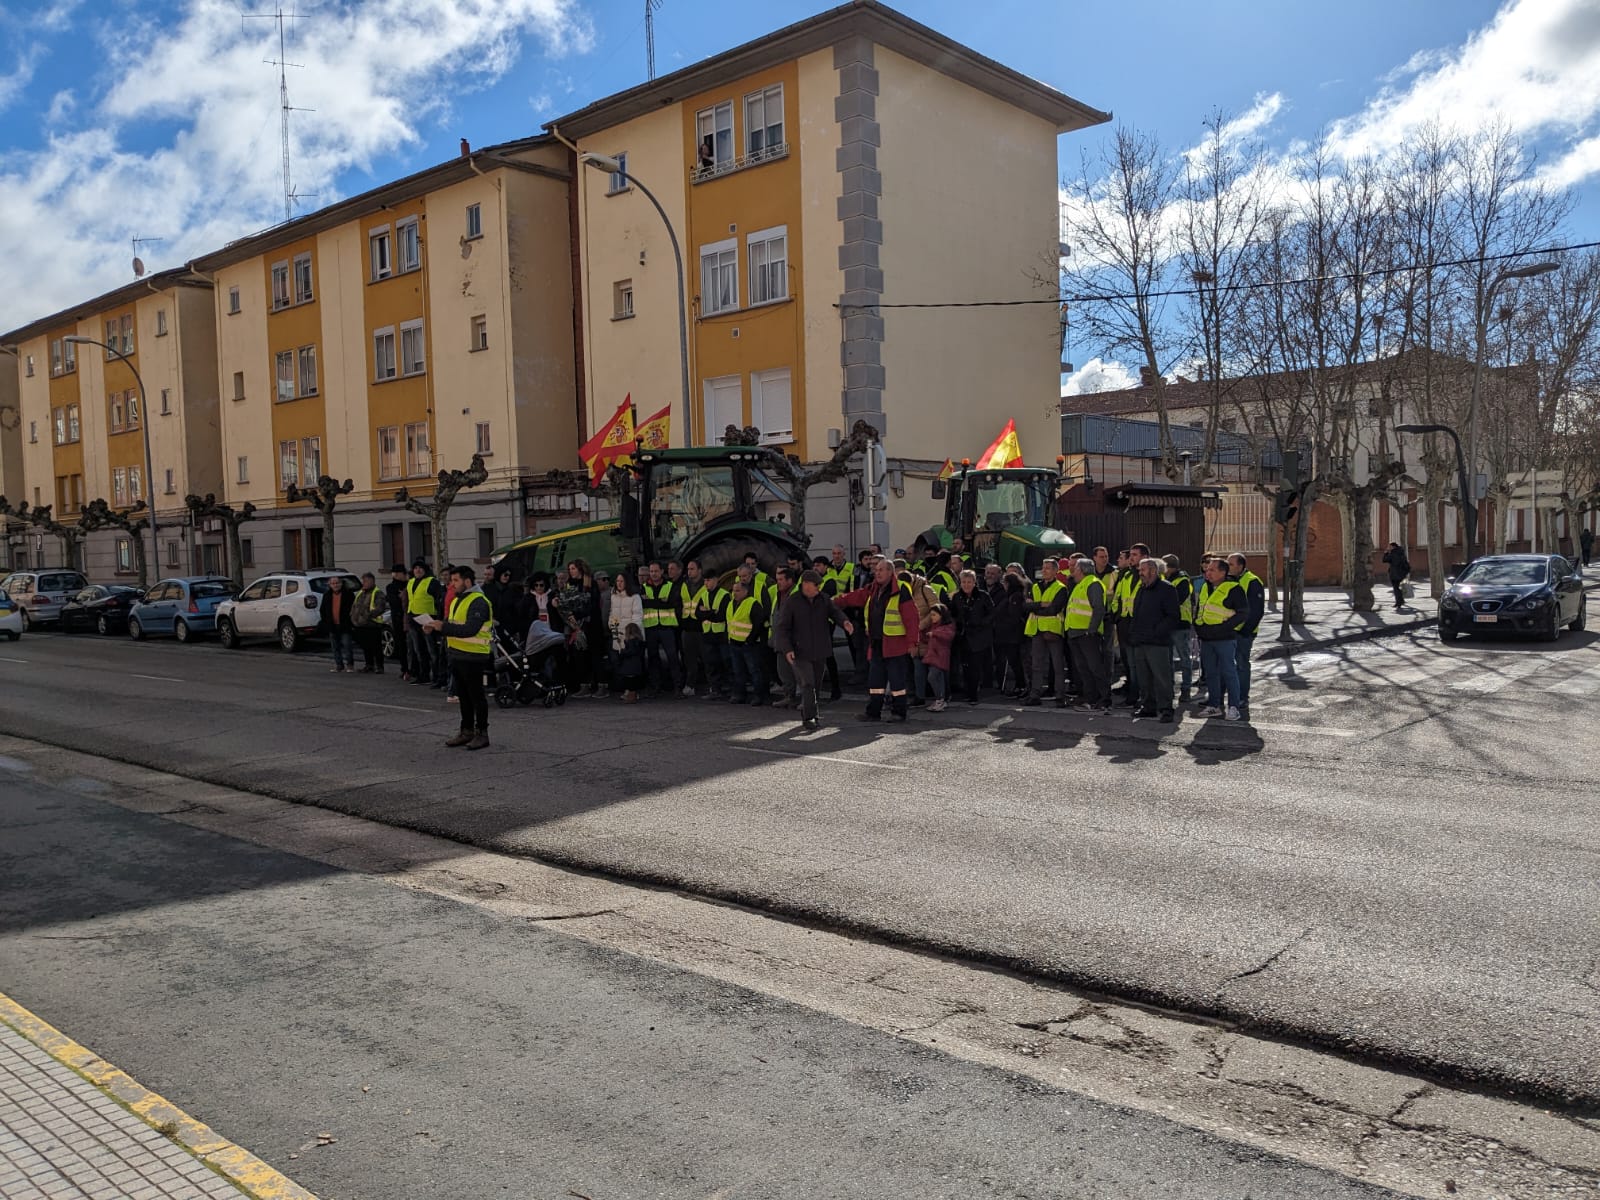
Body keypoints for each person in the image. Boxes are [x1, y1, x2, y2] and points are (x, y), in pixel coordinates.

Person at [772, 569, 855, 730]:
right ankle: (809, 717)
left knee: (816, 684)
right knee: (808, 683)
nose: (817, 588)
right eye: (815, 585)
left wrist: (845, 622)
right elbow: (782, 628)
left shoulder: (823, 599)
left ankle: (812, 714)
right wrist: (787, 649)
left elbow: (835, 612)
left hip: (820, 650)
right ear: (805, 584)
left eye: (818, 585)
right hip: (800, 651)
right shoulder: (792, 601)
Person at [839, 558, 918, 722]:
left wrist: (912, 643)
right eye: (876, 570)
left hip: (895, 644)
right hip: (877, 643)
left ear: (891, 572)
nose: (877, 573)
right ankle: (873, 712)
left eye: (881, 570)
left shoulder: (901, 589)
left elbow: (911, 617)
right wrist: (836, 601)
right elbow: (857, 596)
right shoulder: (874, 588)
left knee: (897, 683)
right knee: (875, 681)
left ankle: (899, 712)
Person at [424, 565, 493, 749]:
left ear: (467, 581)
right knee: (463, 696)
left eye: (456, 580)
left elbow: (471, 629)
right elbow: (452, 624)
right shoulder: (458, 600)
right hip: (457, 655)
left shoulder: (478, 601)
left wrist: (443, 627)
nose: (452, 584)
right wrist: (435, 626)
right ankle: (466, 730)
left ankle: (482, 733)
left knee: (476, 696)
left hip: (474, 656)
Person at [1194, 557, 1247, 720]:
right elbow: (1200, 609)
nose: (1207, 572)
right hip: (1207, 638)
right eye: (1207, 569)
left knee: (1229, 672)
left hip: (1224, 638)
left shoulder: (1234, 588)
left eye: (1212, 570)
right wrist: (1199, 627)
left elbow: (1243, 613)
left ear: (1223, 572)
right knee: (1211, 673)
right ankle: (1213, 705)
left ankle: (1233, 707)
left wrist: (1223, 628)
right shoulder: (1205, 587)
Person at [1128, 557, 1180, 722]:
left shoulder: (1167, 589)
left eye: (1142, 570)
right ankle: (1148, 706)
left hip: (1158, 642)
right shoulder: (1142, 588)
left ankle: (1166, 709)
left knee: (1162, 678)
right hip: (1141, 641)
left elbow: (1173, 617)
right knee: (1144, 678)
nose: (1140, 573)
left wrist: (1156, 632)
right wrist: (1134, 633)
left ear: (1153, 570)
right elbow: (1136, 612)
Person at [1063, 556, 1110, 712]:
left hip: (1087, 633)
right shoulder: (1080, 585)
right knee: (1083, 668)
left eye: (1075, 568)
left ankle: (1104, 699)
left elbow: (1098, 609)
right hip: (1076, 633)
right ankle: (1090, 698)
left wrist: (1092, 629)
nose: (1073, 571)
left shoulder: (1093, 584)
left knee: (1095, 667)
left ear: (1082, 570)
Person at [1022, 557, 1068, 708]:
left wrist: (1036, 607)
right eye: (1043, 567)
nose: (1044, 570)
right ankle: (1035, 694)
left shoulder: (1061, 588)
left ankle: (1060, 696)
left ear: (1055, 571)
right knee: (1037, 665)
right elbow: (1025, 607)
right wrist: (1041, 604)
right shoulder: (1035, 586)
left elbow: (1055, 608)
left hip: (1053, 630)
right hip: (1037, 630)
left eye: (1048, 568)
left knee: (1057, 665)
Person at [1226, 552, 1265, 718]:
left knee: (1241, 664)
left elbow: (1256, 610)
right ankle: (1232, 696)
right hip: (1229, 631)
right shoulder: (1229, 580)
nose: (1228, 567)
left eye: (1231, 564)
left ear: (1241, 566)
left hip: (1243, 633)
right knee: (1228, 666)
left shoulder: (1252, 581)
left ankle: (1242, 697)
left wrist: (1245, 630)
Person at [949, 569, 994, 705]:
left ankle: (973, 694)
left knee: (975, 666)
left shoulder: (983, 596)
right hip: (963, 636)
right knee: (965, 666)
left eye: (969, 582)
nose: (966, 585)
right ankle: (967, 692)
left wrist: (981, 623)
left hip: (979, 636)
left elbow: (992, 613)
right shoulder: (957, 597)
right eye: (964, 582)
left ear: (974, 583)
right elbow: (953, 613)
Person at [639, 561, 684, 696]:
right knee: (653, 659)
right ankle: (655, 687)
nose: (653, 574)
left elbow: (673, 603)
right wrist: (661, 602)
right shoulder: (643, 587)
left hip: (666, 627)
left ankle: (677, 688)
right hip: (651, 627)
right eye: (651, 572)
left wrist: (651, 602)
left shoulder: (670, 586)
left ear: (662, 572)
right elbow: (642, 604)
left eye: (656, 571)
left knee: (673, 658)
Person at [724, 578, 769, 706]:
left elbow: (758, 624)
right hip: (734, 643)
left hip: (749, 645)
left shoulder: (752, 604)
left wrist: (750, 640)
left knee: (754, 671)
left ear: (745, 591)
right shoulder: (731, 604)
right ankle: (739, 694)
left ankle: (758, 696)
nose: (734, 593)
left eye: (737, 591)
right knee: (738, 671)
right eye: (733, 591)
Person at [1162, 554, 1195, 705]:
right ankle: (1168, 689)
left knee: (1184, 659)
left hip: (1181, 624)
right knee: (1168, 659)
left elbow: (1176, 600)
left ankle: (1186, 689)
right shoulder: (1168, 579)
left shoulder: (1182, 580)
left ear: (1168, 567)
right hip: (1169, 624)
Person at [405, 560, 444, 688]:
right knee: (419, 650)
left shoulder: (432, 582)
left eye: (420, 568)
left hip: (428, 619)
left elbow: (439, 601)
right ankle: (424, 674)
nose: (418, 570)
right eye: (415, 568)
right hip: (414, 619)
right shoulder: (410, 582)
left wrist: (437, 619)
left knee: (432, 650)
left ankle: (437, 676)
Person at [991, 572, 1028, 696]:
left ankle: (1021, 685)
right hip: (1007, 634)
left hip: (1011, 634)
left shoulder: (1015, 597)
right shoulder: (1010, 596)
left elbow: (1014, 616)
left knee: (1014, 661)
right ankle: (1019, 685)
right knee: (1013, 661)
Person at [607, 572, 644, 695]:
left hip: (630, 636)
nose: (619, 583)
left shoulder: (635, 597)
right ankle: (625, 689)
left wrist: (632, 634)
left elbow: (637, 616)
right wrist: (612, 627)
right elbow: (612, 614)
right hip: (617, 634)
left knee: (631, 665)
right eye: (617, 581)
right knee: (619, 663)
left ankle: (633, 691)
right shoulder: (614, 596)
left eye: (621, 581)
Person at [351, 571, 387, 674]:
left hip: (372, 625)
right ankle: (369, 665)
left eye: (366, 581)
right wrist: (353, 617)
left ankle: (379, 666)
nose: (364, 583)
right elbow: (355, 606)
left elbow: (380, 608)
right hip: (361, 625)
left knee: (376, 647)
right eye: (363, 581)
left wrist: (367, 616)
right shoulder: (361, 592)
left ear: (372, 581)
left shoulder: (377, 593)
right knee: (366, 647)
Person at [922, 603, 955, 712]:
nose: (932, 617)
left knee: (933, 677)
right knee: (937, 678)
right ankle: (940, 699)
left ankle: (940, 699)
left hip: (940, 656)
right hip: (934, 656)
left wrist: (934, 633)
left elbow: (948, 636)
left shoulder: (947, 626)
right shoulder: (934, 626)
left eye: (934, 615)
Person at [320, 573, 356, 673]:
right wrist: (326, 622)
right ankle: (339, 665)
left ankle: (350, 665)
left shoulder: (348, 594)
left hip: (345, 625)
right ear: (330, 585)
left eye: (337, 583)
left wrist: (351, 622)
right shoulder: (327, 595)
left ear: (341, 584)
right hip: (332, 625)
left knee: (347, 645)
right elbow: (322, 610)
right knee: (335, 647)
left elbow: (354, 609)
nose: (335, 585)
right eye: (333, 583)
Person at [384, 565, 411, 677]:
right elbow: (394, 602)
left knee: (411, 646)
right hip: (398, 618)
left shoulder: (409, 584)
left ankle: (411, 668)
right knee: (401, 644)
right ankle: (404, 668)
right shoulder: (391, 587)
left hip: (408, 617)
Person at [615, 623, 647, 703]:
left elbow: (630, 652)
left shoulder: (631, 642)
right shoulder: (639, 641)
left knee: (630, 682)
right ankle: (633, 695)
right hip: (636, 665)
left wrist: (622, 651)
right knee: (633, 682)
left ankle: (631, 697)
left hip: (630, 665)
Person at [1382, 542, 1411, 610]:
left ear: (1393, 547)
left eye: (1389, 546)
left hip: (1394, 574)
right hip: (1401, 574)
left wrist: (1386, 553)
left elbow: (1384, 560)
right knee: (1398, 587)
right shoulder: (1401, 553)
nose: (1388, 548)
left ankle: (1398, 602)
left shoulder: (1393, 554)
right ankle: (1401, 600)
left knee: (1396, 588)